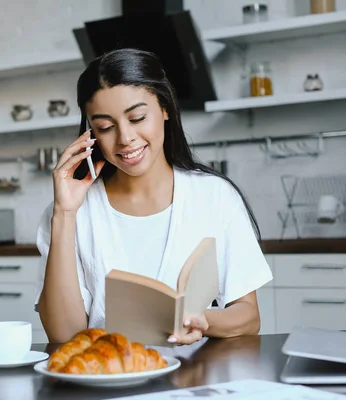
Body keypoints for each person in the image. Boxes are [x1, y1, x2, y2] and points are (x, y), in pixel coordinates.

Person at [34, 48, 272, 345]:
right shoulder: (70, 211)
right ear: (91, 133)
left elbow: (249, 317)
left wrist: (202, 320)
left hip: (192, 382)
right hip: (106, 381)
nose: (125, 138)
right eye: (105, 127)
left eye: (137, 117)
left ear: (165, 108)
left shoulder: (215, 196)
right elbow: (64, 336)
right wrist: (64, 215)